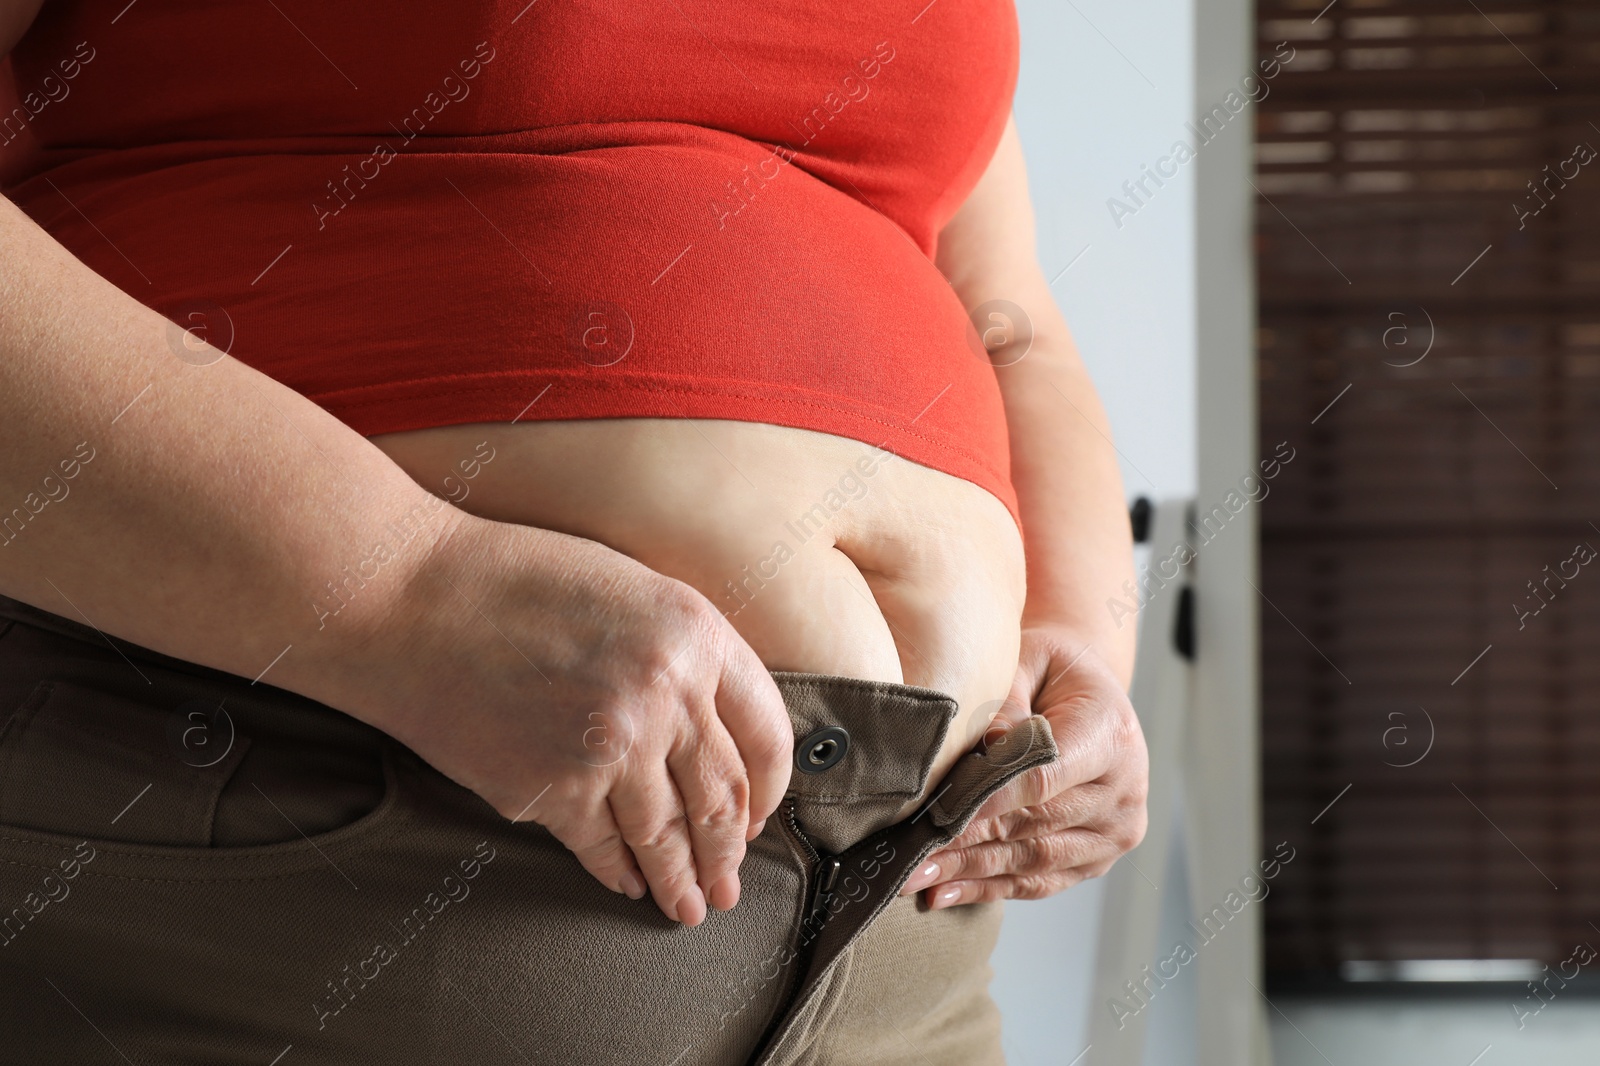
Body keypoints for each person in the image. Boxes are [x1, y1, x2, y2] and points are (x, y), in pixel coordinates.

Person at [0, 1, 1147, 1062]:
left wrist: (1082, 632)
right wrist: (406, 589)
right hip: (320, 851)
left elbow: (1007, 315)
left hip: (904, 951)